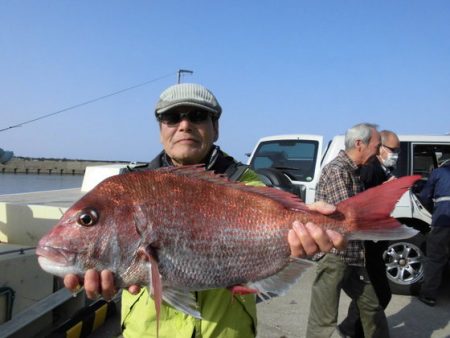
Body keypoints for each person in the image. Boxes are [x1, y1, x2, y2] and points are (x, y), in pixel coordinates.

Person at [63, 82, 346, 338]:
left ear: (216, 127)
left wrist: (314, 230)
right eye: (172, 117)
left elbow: (283, 221)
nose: (184, 125)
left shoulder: (244, 182)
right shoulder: (127, 186)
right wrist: (105, 284)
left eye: (197, 116)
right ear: (161, 128)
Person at [306, 123, 390, 338]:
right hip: (335, 257)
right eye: (377, 145)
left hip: (354, 255)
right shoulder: (338, 170)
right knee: (323, 321)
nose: (379, 151)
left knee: (372, 308)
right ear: (360, 144)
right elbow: (348, 218)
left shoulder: (354, 172)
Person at [338, 130, 401, 337]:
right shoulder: (371, 169)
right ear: (380, 148)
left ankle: (350, 328)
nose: (396, 154)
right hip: (367, 244)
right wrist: (383, 192)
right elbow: (357, 203)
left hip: (373, 241)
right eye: (393, 150)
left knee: (370, 295)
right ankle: (352, 330)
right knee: (378, 294)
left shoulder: (381, 169)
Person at [417, 159, 450, 306]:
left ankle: (428, 295)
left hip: (443, 220)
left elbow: (424, 197)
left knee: (435, 259)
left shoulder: (438, 173)